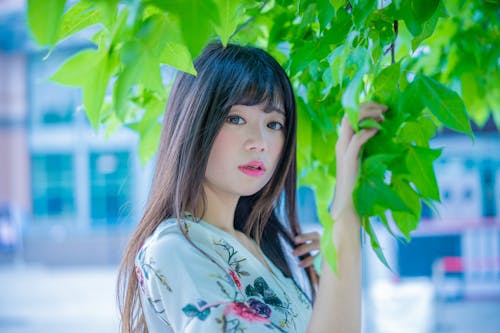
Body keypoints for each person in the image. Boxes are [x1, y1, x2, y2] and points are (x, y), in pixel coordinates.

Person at [117, 42, 386, 333]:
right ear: (193, 123)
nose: (259, 141)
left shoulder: (259, 249)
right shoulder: (174, 248)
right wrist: (345, 221)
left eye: (274, 124)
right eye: (236, 119)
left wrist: (332, 281)